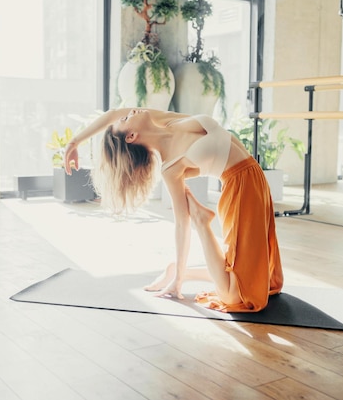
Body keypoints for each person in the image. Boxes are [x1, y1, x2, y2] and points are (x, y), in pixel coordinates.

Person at [64, 108, 283, 312]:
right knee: (237, 297)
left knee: (260, 280)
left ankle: (186, 270)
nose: (129, 111)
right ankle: (201, 221)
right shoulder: (170, 168)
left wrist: (74, 143)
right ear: (131, 136)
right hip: (241, 192)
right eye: (125, 119)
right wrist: (177, 278)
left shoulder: (165, 120)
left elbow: (113, 114)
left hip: (254, 179)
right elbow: (180, 224)